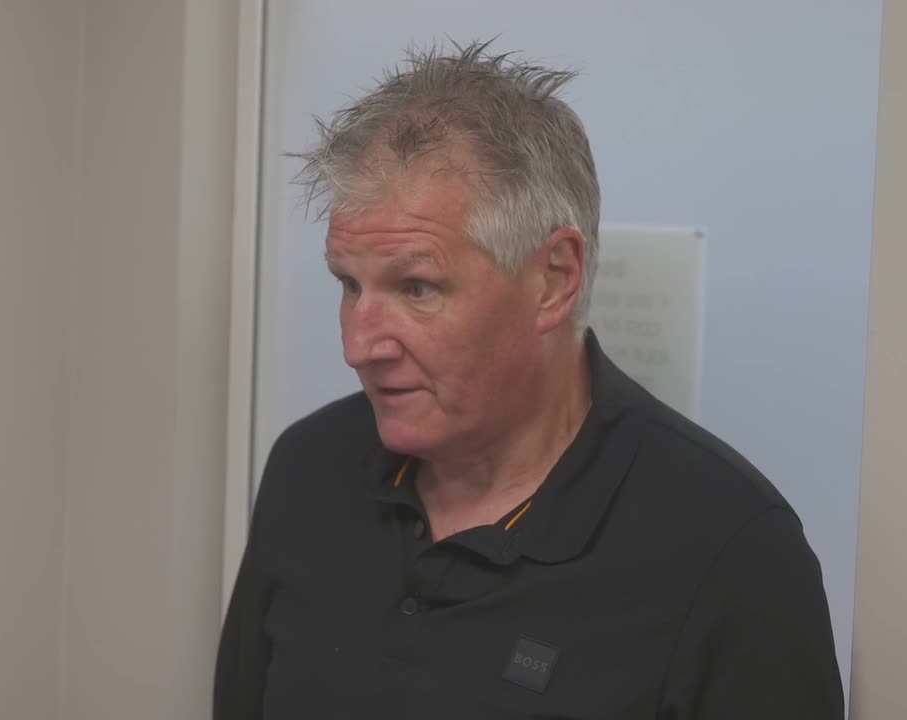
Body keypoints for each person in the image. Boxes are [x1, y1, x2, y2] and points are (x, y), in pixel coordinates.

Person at [214, 40, 843, 719]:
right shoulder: (309, 470)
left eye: (418, 287)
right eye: (349, 284)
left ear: (554, 280)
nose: (358, 345)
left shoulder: (730, 552)